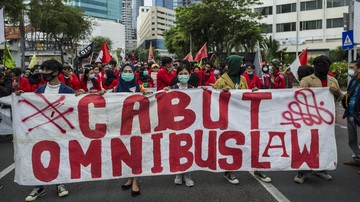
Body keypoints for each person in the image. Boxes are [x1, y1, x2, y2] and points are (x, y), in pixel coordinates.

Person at [17, 59, 75, 201]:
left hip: (60, 131)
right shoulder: (40, 90)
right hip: (41, 130)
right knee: (39, 156)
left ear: (56, 72)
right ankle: (39, 186)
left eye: (47, 70)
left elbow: (76, 108)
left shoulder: (68, 91)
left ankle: (59, 183)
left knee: (59, 156)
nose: (44, 72)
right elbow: (30, 104)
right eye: (43, 69)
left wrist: (79, 96)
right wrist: (20, 96)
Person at [294, 55, 342, 184]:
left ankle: (320, 169)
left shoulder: (333, 80)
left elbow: (339, 98)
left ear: (328, 65)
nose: (322, 65)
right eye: (319, 63)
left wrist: (337, 92)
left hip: (327, 120)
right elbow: (299, 97)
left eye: (325, 63)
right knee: (308, 143)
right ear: (314, 65)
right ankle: (302, 171)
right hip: (310, 119)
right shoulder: (307, 80)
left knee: (324, 144)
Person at [111, 63, 149, 197]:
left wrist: (146, 94)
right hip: (122, 125)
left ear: (134, 73)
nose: (127, 73)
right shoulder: (115, 89)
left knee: (136, 152)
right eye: (125, 71)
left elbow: (148, 99)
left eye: (130, 71)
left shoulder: (140, 87)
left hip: (137, 125)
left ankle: (136, 180)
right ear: (120, 73)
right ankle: (129, 177)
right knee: (125, 152)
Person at [167, 63, 195, 187]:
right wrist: (165, 92)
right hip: (176, 124)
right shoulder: (172, 88)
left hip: (190, 124)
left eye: (185, 73)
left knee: (189, 149)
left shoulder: (195, 90)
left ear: (190, 74)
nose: (183, 76)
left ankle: (188, 175)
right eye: (181, 74)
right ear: (177, 75)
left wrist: (205, 91)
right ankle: (178, 173)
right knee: (177, 149)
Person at [336, 60, 360, 169]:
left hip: (358, 115)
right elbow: (348, 95)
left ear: (359, 69)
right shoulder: (353, 81)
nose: (350, 70)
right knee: (352, 139)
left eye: (352, 67)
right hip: (350, 114)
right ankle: (357, 159)